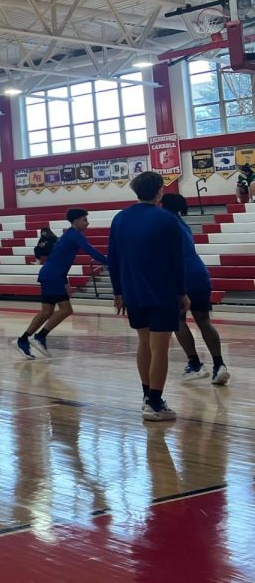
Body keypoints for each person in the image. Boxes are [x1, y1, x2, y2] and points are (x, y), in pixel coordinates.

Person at [109, 171, 189, 422]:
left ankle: (147, 397)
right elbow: (176, 260)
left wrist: (118, 291)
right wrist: (182, 291)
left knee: (144, 343)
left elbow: (113, 258)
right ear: (159, 191)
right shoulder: (166, 219)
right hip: (161, 291)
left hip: (132, 291)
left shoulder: (120, 219)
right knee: (160, 347)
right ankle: (155, 402)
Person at [15, 209, 107, 359]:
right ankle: (39, 337)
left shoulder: (69, 235)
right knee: (66, 309)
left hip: (51, 274)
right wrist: (111, 263)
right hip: (53, 275)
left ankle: (23, 340)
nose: (87, 222)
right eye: (84, 219)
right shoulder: (74, 235)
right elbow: (92, 251)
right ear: (75, 221)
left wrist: (65, 281)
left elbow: (59, 259)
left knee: (47, 311)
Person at [161, 192, 230, 385]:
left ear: (163, 205)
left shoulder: (165, 223)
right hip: (199, 272)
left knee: (178, 320)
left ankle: (195, 364)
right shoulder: (183, 224)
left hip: (181, 274)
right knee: (204, 321)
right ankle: (219, 365)